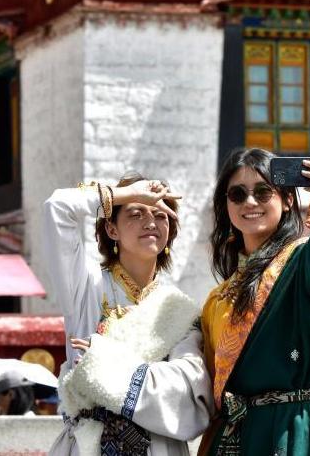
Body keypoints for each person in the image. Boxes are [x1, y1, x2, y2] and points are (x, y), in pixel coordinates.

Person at [198, 148, 310, 455]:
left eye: (263, 192)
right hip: (242, 436)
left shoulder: (306, 262)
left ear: (288, 199)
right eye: (237, 194)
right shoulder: (217, 298)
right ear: (226, 204)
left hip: (307, 430)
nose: (250, 202)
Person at [43, 173, 213, 455]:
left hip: (159, 447)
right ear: (111, 229)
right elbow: (57, 208)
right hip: (90, 443)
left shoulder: (178, 309)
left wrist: (106, 363)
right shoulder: (87, 288)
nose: (150, 223)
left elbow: (188, 391)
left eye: (161, 215)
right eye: (135, 213)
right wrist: (124, 194)